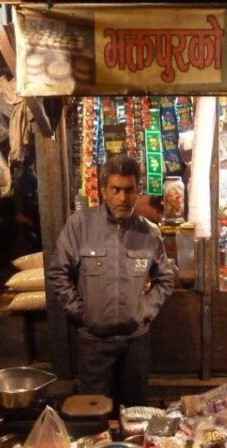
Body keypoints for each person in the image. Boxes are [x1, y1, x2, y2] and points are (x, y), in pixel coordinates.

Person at [48, 155, 174, 405]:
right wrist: (81, 313)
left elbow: (165, 278)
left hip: (135, 342)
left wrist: (145, 310)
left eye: (129, 190)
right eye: (116, 189)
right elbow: (58, 273)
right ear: (104, 190)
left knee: (135, 412)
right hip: (94, 344)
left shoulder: (149, 232)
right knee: (95, 415)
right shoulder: (79, 225)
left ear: (137, 191)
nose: (123, 198)